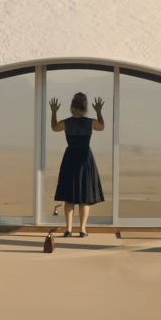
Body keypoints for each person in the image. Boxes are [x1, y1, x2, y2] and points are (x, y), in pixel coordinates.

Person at [48, 91, 106, 237]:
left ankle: (68, 230)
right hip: (85, 158)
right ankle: (82, 230)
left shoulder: (66, 123)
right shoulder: (90, 122)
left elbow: (54, 127)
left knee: (69, 197)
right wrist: (99, 111)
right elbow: (101, 127)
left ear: (72, 108)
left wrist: (54, 112)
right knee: (84, 198)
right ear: (85, 108)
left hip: (70, 158)